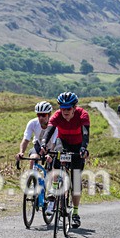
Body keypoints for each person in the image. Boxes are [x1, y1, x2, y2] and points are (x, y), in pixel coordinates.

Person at [40, 92, 90, 228]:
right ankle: (54, 190)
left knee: (76, 181)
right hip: (63, 142)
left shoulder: (83, 115)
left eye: (68, 108)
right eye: (62, 108)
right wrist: (44, 144)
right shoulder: (57, 116)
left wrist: (84, 148)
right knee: (57, 156)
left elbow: (85, 133)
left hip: (78, 145)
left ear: (74, 107)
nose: (65, 111)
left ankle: (75, 213)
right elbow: (49, 131)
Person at [15, 101, 58, 169]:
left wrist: (50, 155)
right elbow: (26, 140)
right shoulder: (32, 123)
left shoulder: (55, 126)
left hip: (52, 148)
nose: (41, 118)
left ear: (49, 115)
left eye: (43, 115)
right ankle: (33, 177)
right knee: (33, 159)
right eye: (38, 115)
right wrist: (21, 152)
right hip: (38, 145)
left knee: (53, 172)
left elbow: (54, 143)